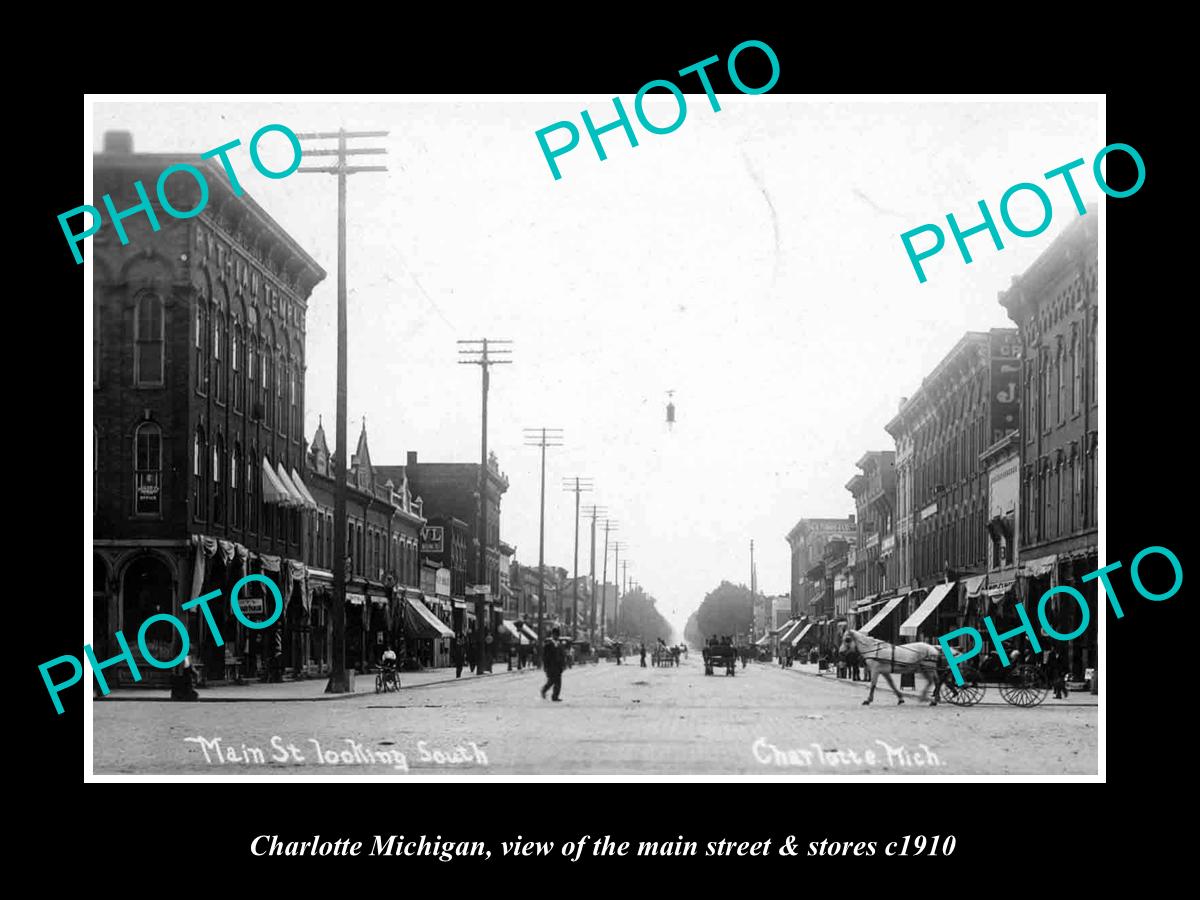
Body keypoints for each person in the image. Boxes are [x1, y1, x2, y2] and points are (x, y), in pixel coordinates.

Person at [541, 627, 564, 702]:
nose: (556, 636)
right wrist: (545, 666)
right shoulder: (548, 644)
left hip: (558, 666)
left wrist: (563, 664)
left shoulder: (559, 644)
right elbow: (545, 656)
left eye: (557, 635)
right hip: (551, 666)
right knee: (551, 681)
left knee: (558, 682)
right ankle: (544, 690)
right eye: (555, 635)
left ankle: (555, 696)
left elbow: (562, 655)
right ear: (552, 635)